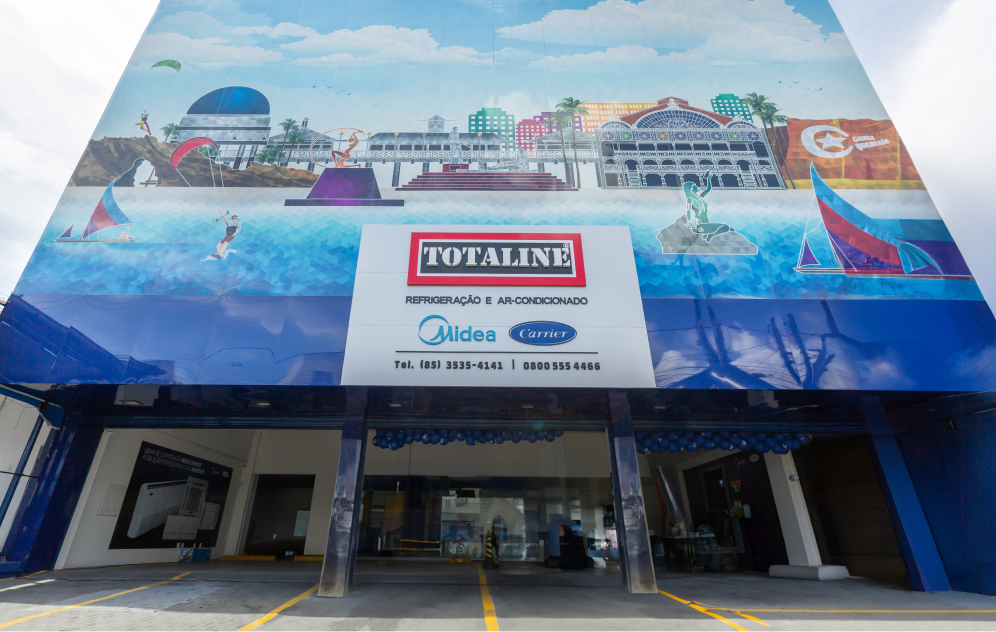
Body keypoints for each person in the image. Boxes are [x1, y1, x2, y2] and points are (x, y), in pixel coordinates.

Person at [683, 171, 732, 243]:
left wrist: (708, 179)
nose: (697, 186)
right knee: (726, 227)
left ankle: (710, 235)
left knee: (727, 228)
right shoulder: (690, 198)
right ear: (691, 189)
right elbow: (688, 211)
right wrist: (689, 222)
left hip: (706, 222)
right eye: (694, 186)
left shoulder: (700, 197)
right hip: (699, 225)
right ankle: (710, 235)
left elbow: (708, 189)